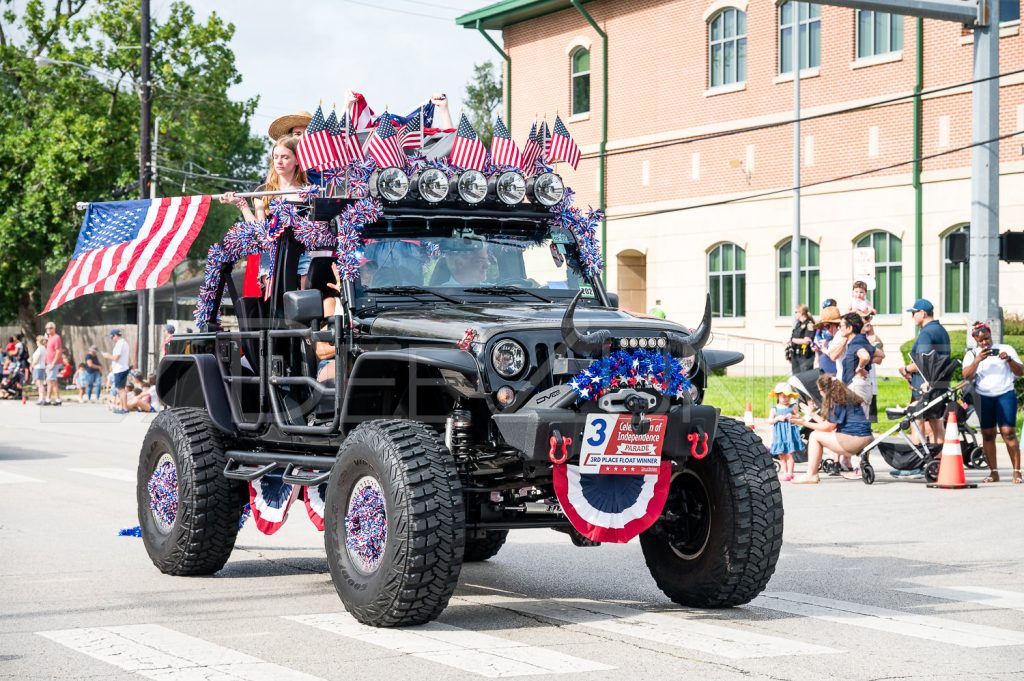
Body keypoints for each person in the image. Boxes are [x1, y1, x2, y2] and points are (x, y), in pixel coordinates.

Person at [963, 322, 1022, 484]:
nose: (984, 343)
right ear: (975, 340)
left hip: (1005, 395)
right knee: (988, 435)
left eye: (987, 339)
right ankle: (993, 473)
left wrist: (1009, 360)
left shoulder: (1006, 348)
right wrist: (977, 360)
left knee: (1008, 432)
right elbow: (966, 376)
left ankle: (1017, 472)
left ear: (990, 335)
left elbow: (1021, 371)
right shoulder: (972, 354)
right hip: (984, 397)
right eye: (980, 340)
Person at [791, 374, 875, 484]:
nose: (820, 394)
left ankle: (811, 475)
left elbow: (828, 427)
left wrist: (803, 423)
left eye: (820, 391)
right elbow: (829, 424)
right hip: (867, 439)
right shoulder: (846, 396)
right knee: (819, 434)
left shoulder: (836, 400)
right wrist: (811, 414)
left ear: (825, 390)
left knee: (815, 436)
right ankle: (811, 474)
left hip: (854, 441)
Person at [898, 299, 950, 443]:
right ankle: (940, 459)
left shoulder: (926, 333)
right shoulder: (942, 331)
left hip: (924, 386)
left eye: (914, 313)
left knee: (917, 421)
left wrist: (905, 369)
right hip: (939, 384)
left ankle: (918, 459)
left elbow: (921, 362)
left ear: (923, 313)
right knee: (936, 422)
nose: (912, 316)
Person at [307, 256, 344, 382]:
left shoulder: (363, 302)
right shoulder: (331, 303)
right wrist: (355, 346)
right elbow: (321, 350)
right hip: (335, 362)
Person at [769, 383, 802, 481]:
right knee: (781, 455)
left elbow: (799, 416)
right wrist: (777, 418)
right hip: (779, 434)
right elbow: (770, 421)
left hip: (790, 434)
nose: (786, 399)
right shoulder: (774, 409)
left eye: (788, 397)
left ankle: (790, 473)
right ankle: (784, 472)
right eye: (784, 396)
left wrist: (792, 416)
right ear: (778, 396)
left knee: (790, 454)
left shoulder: (792, 407)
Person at [102, 329, 131, 414]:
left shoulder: (120, 344)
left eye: (111, 337)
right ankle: (122, 407)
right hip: (121, 368)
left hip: (120, 369)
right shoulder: (123, 343)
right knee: (120, 389)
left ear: (115, 335)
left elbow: (116, 357)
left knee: (121, 390)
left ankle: (124, 409)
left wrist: (107, 356)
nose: (111, 339)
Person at [813, 305, 842, 375]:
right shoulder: (837, 336)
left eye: (827, 326)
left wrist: (823, 348)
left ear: (835, 324)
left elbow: (832, 355)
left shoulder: (840, 335)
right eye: (824, 327)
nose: (826, 330)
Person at [788, 305, 816, 374]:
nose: (795, 314)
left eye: (796, 312)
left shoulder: (809, 325)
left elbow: (806, 341)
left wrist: (792, 340)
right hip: (795, 355)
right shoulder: (798, 324)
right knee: (796, 378)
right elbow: (794, 337)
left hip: (805, 356)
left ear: (801, 313)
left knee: (804, 378)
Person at [42, 322, 63, 405]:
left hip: (54, 363)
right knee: (50, 381)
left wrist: (53, 363)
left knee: (52, 381)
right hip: (49, 362)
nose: (48, 329)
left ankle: (58, 399)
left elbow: (58, 351)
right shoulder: (49, 338)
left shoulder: (56, 337)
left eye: (50, 328)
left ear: (54, 328)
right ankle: (48, 399)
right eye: (47, 328)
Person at [29, 335, 46, 405]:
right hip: (41, 367)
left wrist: (31, 366)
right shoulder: (44, 348)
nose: (36, 342)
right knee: (40, 384)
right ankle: (42, 398)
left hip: (38, 367)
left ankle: (41, 398)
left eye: (37, 340)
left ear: (39, 341)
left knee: (40, 384)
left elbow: (36, 359)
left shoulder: (40, 349)